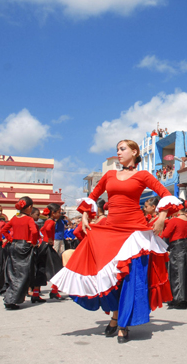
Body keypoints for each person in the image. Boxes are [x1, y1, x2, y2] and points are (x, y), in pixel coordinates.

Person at [50, 139, 174, 343]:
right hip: (109, 230)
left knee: (129, 279)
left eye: (122, 149)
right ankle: (115, 317)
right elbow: (92, 196)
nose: (118, 152)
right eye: (117, 149)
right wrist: (84, 216)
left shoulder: (143, 175)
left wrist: (161, 218)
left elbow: (165, 195)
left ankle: (123, 324)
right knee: (106, 276)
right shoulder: (109, 175)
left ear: (134, 152)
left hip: (134, 232)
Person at [162, 199, 187, 309]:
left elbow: (166, 234)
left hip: (177, 246)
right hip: (186, 245)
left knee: (177, 273)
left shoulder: (174, 220)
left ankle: (178, 298)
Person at [2, 197, 39, 310]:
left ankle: (9, 298)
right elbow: (35, 231)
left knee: (12, 272)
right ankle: (12, 300)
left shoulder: (14, 218)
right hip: (24, 247)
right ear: (29, 207)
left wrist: (10, 239)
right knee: (22, 274)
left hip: (14, 245)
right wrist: (32, 242)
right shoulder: (29, 219)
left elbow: (4, 230)